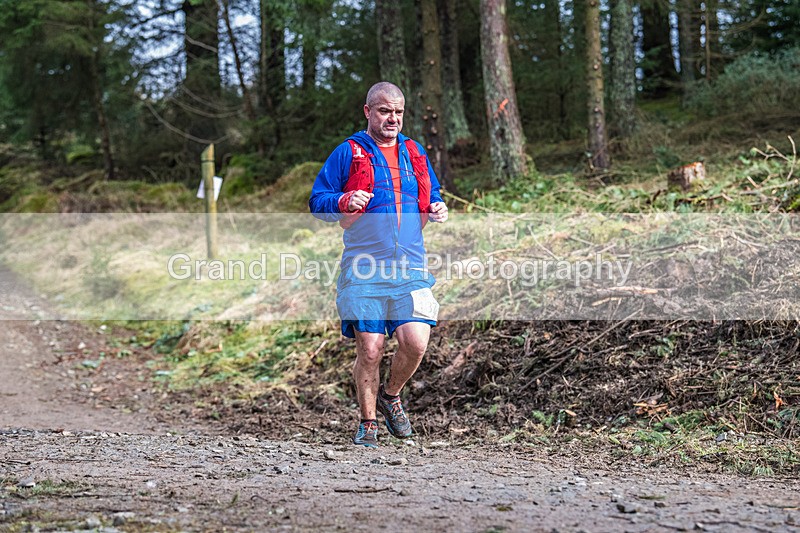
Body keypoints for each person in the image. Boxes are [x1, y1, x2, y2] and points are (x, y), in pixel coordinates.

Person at [309, 81, 448, 448]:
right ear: (368, 112)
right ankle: (368, 422)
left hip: (410, 266)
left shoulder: (414, 152)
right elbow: (317, 201)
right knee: (370, 349)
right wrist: (344, 199)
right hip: (364, 266)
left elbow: (431, 193)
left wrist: (436, 207)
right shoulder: (349, 152)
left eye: (399, 112)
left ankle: (390, 396)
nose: (393, 118)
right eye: (385, 111)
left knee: (416, 343)